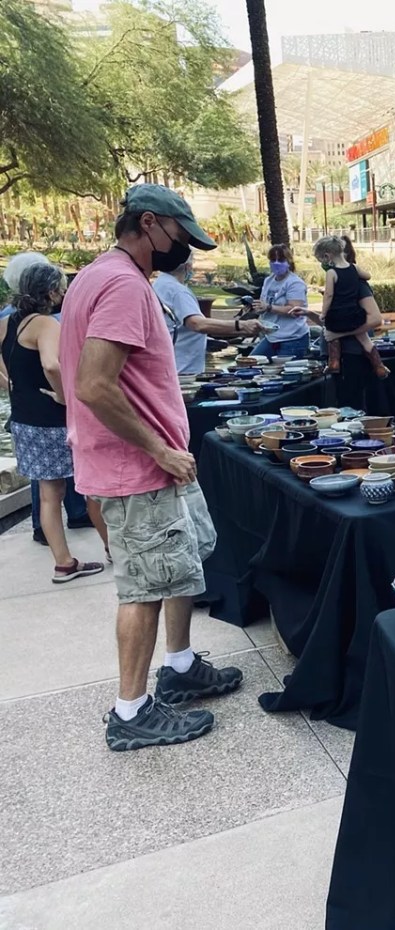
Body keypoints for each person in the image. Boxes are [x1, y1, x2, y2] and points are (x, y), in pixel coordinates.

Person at [59, 183, 243, 752]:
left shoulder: (101, 275)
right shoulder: (120, 283)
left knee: (177, 566)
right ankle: (130, 709)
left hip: (153, 464)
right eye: (181, 237)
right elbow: (93, 384)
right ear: (149, 224)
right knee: (142, 587)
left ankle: (181, 666)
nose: (185, 250)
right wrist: (158, 449)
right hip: (135, 468)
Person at [0, 263, 107, 583]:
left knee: (49, 495)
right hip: (54, 421)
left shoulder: (7, 323)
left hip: (23, 419)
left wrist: (10, 385)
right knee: (91, 488)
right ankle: (113, 548)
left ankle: (63, 563)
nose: (64, 295)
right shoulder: (46, 324)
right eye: (62, 289)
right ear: (50, 292)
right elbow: (52, 364)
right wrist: (64, 396)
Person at [151, 255, 263, 374]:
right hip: (182, 369)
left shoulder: (159, 283)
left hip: (165, 364)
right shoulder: (178, 291)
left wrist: (206, 340)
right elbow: (197, 324)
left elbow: (172, 325)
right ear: (188, 266)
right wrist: (242, 325)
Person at [314, 235, 388, 378]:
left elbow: (328, 295)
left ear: (327, 256)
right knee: (365, 339)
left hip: (338, 315)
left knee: (331, 334)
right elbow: (368, 275)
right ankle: (379, 366)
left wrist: (324, 313)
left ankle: (334, 362)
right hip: (355, 314)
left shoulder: (331, 273)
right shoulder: (354, 268)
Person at [252, 244, 310, 357]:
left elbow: (295, 310)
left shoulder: (295, 283)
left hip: (292, 338)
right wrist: (257, 308)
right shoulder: (268, 281)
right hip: (271, 337)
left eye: (281, 260)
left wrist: (269, 307)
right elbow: (264, 303)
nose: (277, 263)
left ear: (289, 261)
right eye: (273, 260)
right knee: (251, 362)